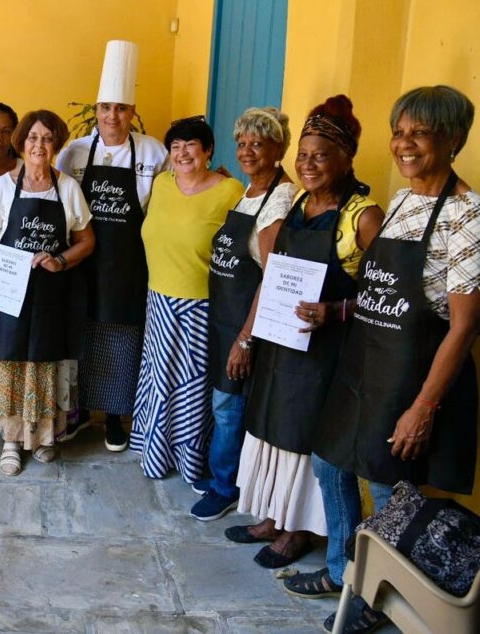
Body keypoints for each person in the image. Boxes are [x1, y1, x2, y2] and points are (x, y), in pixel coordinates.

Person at [286, 86, 480, 634]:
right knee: (329, 461)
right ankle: (343, 572)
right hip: (364, 363)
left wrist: (423, 408)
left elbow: (465, 325)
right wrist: (335, 312)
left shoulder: (470, 214)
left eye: (419, 133)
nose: (404, 144)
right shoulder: (403, 200)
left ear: (453, 139)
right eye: (398, 132)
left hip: (410, 375)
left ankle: (378, 597)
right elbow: (379, 290)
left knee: (389, 490)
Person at [227, 95, 383, 571]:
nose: (308, 164)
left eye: (321, 156)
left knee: (304, 435)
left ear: (346, 159)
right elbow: (273, 276)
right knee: (272, 427)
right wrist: (247, 337)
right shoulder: (296, 203)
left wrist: (335, 310)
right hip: (282, 341)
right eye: (304, 155)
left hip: (326, 352)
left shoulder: (363, 216)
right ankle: (274, 517)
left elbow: (386, 297)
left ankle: (298, 530)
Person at [0, 110, 95, 475]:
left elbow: (87, 240)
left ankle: (41, 437)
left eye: (48, 138)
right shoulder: (4, 187)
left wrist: (60, 260)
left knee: (44, 365)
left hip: (51, 296)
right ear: (22, 143)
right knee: (11, 365)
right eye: (33, 138)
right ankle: (11, 440)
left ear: (56, 145)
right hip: (8, 293)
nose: (40, 145)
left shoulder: (67, 188)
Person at [56, 40, 168, 450]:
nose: (112, 116)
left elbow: (173, 199)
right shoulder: (74, 152)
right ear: (96, 109)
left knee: (122, 340)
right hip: (82, 262)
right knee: (82, 335)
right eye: (106, 107)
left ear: (132, 112)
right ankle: (81, 410)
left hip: (128, 263)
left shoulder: (153, 152)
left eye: (121, 108)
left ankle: (116, 419)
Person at [190, 107, 298, 522]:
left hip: (246, 323)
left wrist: (246, 339)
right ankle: (224, 474)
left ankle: (226, 487)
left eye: (258, 144)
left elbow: (273, 279)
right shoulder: (250, 190)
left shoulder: (280, 200)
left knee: (228, 405)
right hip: (226, 316)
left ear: (279, 150)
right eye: (241, 143)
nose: (247, 151)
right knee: (224, 402)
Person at [130, 116, 244, 481]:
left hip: (200, 306)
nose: (182, 153)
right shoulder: (162, 183)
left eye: (190, 145)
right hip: (158, 300)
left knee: (190, 387)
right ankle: (156, 453)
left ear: (208, 150)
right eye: (175, 146)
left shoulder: (230, 191)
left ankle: (191, 463)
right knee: (158, 380)